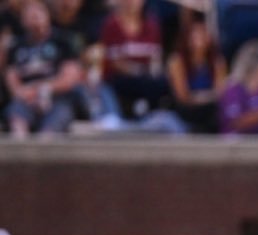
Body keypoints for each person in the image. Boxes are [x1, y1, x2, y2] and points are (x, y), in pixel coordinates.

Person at [5, 0, 82, 138]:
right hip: (25, 100)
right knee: (16, 115)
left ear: (48, 16)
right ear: (22, 20)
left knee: (54, 124)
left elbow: (70, 77)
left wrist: (41, 88)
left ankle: (44, 150)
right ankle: (19, 151)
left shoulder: (63, 41)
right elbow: (11, 76)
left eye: (38, 13)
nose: (34, 18)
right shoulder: (16, 46)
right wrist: (21, 93)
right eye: (30, 15)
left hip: (57, 99)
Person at [98, 0, 168, 119]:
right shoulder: (112, 24)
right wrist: (138, 71)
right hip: (118, 78)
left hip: (146, 78)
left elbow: (155, 58)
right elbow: (115, 63)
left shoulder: (152, 25)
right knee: (142, 83)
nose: (132, 2)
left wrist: (152, 72)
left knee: (162, 83)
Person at [167, 18, 225, 134]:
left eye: (202, 33)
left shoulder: (217, 62)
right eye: (194, 34)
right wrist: (205, 97)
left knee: (218, 111)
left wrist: (203, 97)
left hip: (209, 107)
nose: (198, 38)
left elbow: (220, 92)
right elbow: (183, 97)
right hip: (187, 109)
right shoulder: (176, 61)